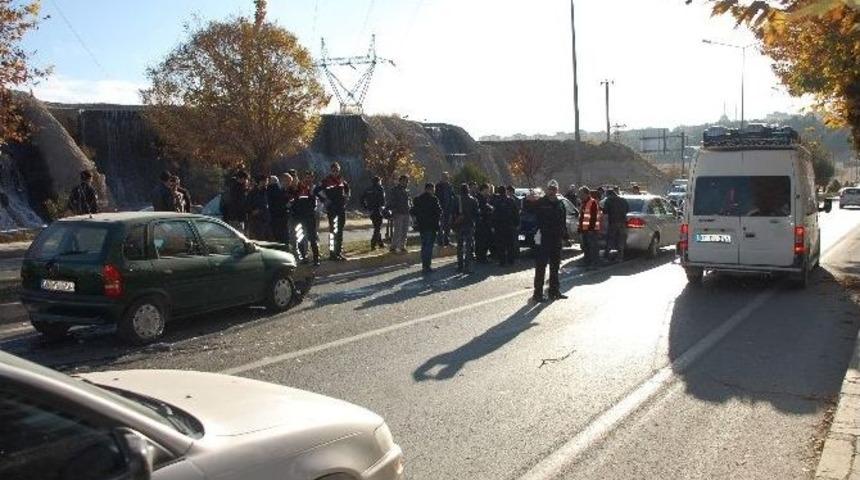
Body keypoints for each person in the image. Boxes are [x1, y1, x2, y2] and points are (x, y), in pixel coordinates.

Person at [527, 180, 568, 302]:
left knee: (555, 267)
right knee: (541, 267)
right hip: (544, 239)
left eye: (554, 188)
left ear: (557, 190)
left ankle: (554, 291)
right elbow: (529, 209)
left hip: (556, 239)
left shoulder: (560, 203)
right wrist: (529, 199)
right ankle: (538, 294)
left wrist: (564, 236)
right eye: (550, 188)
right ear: (547, 189)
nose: (552, 190)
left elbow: (563, 220)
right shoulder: (541, 202)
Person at [316, 162, 351, 261]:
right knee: (333, 232)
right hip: (332, 210)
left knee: (340, 231)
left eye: (337, 170)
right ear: (330, 170)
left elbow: (348, 189)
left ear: (339, 170)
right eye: (333, 170)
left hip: (341, 209)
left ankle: (338, 252)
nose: (335, 172)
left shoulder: (342, 180)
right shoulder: (326, 180)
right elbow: (316, 191)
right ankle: (332, 253)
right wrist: (324, 200)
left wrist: (347, 196)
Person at [411, 183, 442, 274]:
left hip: (422, 226)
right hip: (431, 226)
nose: (434, 191)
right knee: (429, 246)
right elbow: (439, 211)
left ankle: (424, 265)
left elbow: (413, 211)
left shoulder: (418, 199)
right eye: (433, 189)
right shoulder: (434, 199)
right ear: (430, 189)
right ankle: (427, 266)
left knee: (424, 245)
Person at [292, 171, 321, 266]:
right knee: (300, 238)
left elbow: (316, 203)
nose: (308, 179)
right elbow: (293, 201)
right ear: (303, 178)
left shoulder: (313, 188)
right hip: (299, 218)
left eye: (310, 177)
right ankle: (303, 258)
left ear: (313, 178)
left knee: (313, 239)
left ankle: (316, 259)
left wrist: (312, 194)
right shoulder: (297, 188)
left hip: (310, 217)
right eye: (307, 177)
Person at [453, 183, 479, 273]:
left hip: (460, 225)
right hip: (470, 225)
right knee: (468, 247)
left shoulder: (457, 200)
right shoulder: (473, 200)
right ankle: (467, 267)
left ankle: (460, 265)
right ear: (468, 190)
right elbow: (476, 214)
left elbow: (453, 212)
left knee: (459, 246)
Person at [492, 185, 520, 266]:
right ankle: (511, 260)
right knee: (510, 244)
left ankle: (502, 261)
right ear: (505, 191)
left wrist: (493, 225)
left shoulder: (496, 201)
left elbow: (494, 214)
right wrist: (517, 223)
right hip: (509, 225)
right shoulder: (511, 200)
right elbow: (516, 213)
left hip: (499, 226)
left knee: (501, 245)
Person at [602, 187, 629, 261]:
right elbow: (627, 209)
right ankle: (620, 256)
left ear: (608, 194)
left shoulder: (609, 200)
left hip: (613, 222)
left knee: (610, 239)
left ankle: (606, 255)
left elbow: (605, 211)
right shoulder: (623, 200)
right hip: (622, 222)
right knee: (621, 239)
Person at [360, 176, 387, 251]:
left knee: (376, 226)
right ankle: (373, 243)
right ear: (378, 181)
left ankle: (380, 243)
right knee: (377, 228)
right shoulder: (380, 188)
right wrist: (384, 208)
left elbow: (361, 199)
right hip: (378, 210)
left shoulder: (368, 189)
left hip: (371, 210)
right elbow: (382, 201)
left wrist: (366, 207)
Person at [578, 186, 602, 267]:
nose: (579, 195)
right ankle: (587, 263)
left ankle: (594, 264)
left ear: (586, 194)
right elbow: (582, 217)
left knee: (593, 248)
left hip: (591, 230)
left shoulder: (592, 202)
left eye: (581, 194)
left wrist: (590, 229)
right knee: (586, 248)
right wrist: (580, 229)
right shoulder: (583, 203)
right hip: (585, 230)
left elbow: (594, 217)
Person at [387, 175, 411, 253]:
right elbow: (391, 201)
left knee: (405, 230)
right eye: (404, 181)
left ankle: (402, 246)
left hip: (406, 212)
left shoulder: (406, 191)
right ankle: (393, 247)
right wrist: (393, 210)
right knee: (398, 231)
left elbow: (409, 202)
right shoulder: (395, 190)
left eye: (407, 181)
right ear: (400, 181)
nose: (406, 182)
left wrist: (410, 207)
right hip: (398, 213)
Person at [475, 184, 495, 263]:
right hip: (482, 222)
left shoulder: (483, 197)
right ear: (484, 189)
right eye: (487, 190)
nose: (488, 191)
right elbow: (483, 207)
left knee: (483, 240)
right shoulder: (479, 198)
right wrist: (490, 208)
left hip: (484, 222)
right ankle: (481, 257)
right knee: (482, 240)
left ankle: (481, 256)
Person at [247, 175, 271, 240]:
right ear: (260, 182)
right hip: (255, 220)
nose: (266, 183)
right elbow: (248, 205)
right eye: (265, 181)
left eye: (267, 181)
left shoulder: (267, 192)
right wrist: (252, 211)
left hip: (265, 219)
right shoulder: (253, 192)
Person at [436, 171, 456, 247]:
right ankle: (440, 241)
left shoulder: (450, 186)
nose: (445, 178)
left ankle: (447, 240)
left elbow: (452, 196)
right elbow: (437, 196)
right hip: (441, 208)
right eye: (444, 177)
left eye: (447, 177)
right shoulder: (438, 186)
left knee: (447, 226)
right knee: (441, 226)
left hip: (448, 209)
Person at [268, 175, 289, 244]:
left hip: (273, 216)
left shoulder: (268, 190)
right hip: (282, 215)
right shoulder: (281, 190)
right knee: (283, 235)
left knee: (275, 236)